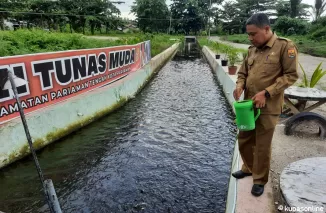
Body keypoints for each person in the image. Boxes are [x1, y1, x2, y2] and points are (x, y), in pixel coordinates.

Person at [232, 13, 299, 197]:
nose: (250, 38)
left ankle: (259, 180)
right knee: (244, 139)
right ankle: (248, 168)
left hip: (268, 107)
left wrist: (266, 92)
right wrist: (239, 85)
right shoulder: (252, 50)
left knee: (262, 144)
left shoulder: (285, 47)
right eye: (248, 34)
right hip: (248, 106)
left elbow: (291, 76)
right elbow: (243, 72)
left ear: (267, 29)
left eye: (253, 34)